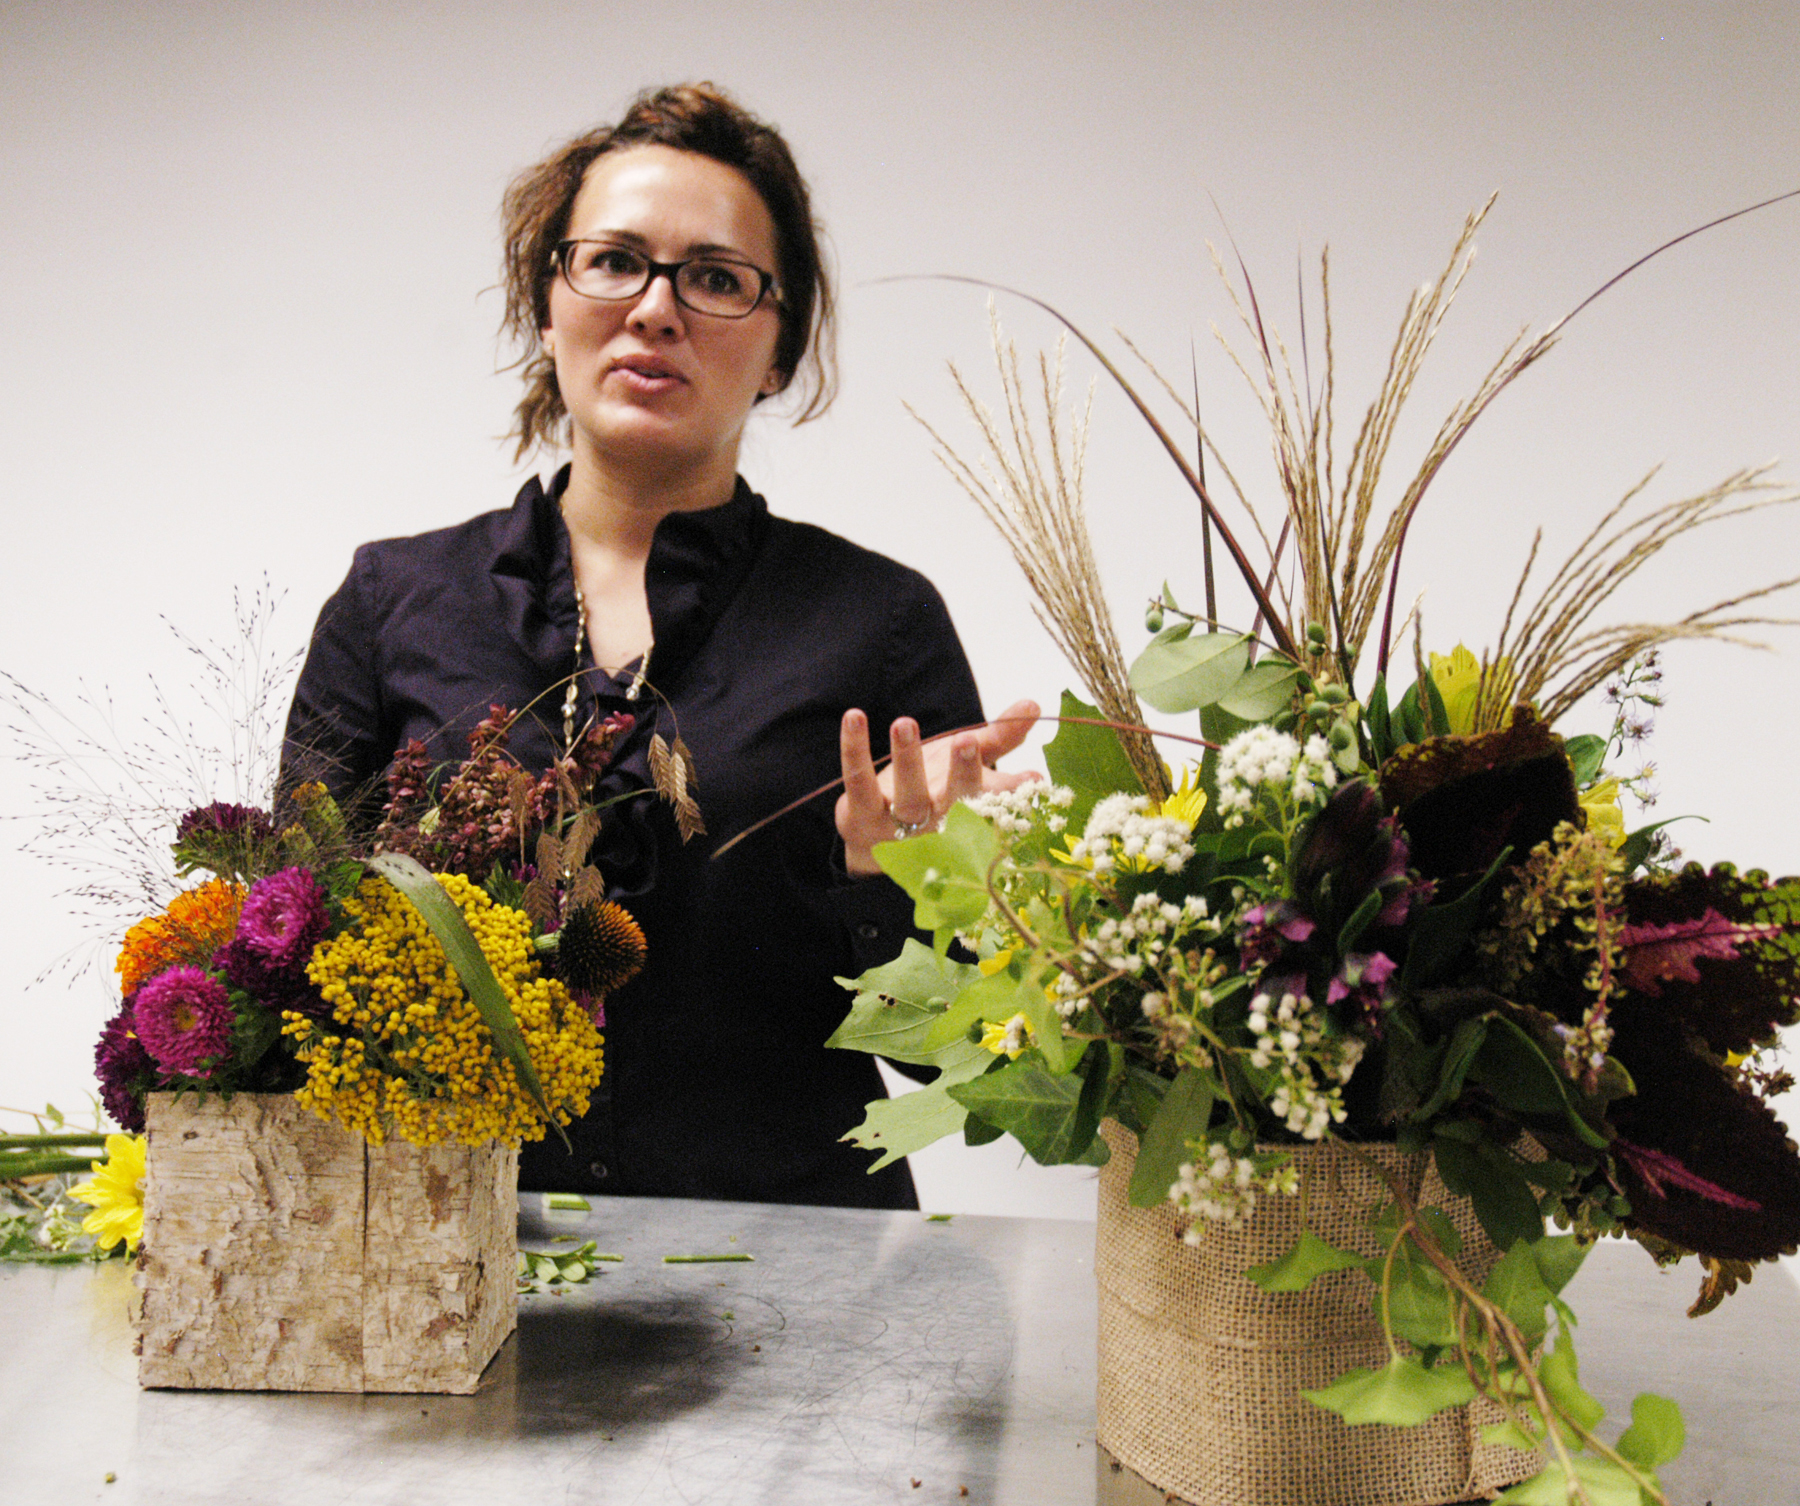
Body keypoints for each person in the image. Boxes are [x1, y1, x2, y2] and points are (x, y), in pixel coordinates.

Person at [282, 82, 1037, 1208]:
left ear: (780, 351)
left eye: (718, 279)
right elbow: (285, 956)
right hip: (451, 1271)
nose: (655, 309)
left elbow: (966, 1060)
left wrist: (886, 886)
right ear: (546, 306)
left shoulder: (877, 620)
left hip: (799, 1293)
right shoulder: (395, 599)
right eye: (614, 261)